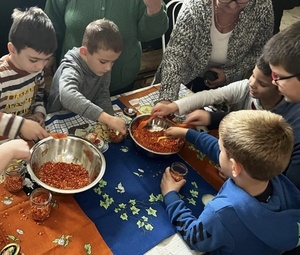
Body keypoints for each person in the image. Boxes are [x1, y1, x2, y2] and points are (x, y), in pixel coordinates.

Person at [160, 110, 300, 255]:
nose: (218, 150)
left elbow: (194, 238)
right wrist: (188, 134)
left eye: (221, 150)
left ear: (235, 168)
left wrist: (170, 196)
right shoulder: (276, 178)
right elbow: (228, 152)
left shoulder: (222, 213)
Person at [152, 55, 300, 189]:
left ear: (280, 88)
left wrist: (240, 175)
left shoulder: (286, 120)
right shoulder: (245, 87)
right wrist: (173, 106)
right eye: (252, 75)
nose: (252, 84)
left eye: (262, 84)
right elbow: (210, 96)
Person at [155, 0, 274, 101]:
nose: (233, 6)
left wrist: (229, 73)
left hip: (228, 82)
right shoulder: (196, 5)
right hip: (182, 76)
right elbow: (176, 53)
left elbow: (260, 51)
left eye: (241, 0)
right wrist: (167, 97)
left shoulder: (262, 6)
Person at [44, 0, 169, 96]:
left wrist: (154, 8)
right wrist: (50, 53)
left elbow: (149, 34)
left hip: (120, 77)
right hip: (75, 77)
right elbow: (52, 20)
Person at [47, 19, 126, 135]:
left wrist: (111, 119)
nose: (108, 68)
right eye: (103, 62)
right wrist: (106, 118)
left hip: (85, 115)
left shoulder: (103, 65)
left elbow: (102, 93)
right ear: (84, 52)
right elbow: (67, 95)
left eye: (113, 62)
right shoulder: (71, 66)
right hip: (60, 118)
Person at [0, 7, 56, 143]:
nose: (40, 66)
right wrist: (21, 125)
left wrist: (39, 113)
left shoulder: (36, 71)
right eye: (33, 59)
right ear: (12, 49)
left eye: (46, 59)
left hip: (26, 140)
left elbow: (38, 97)